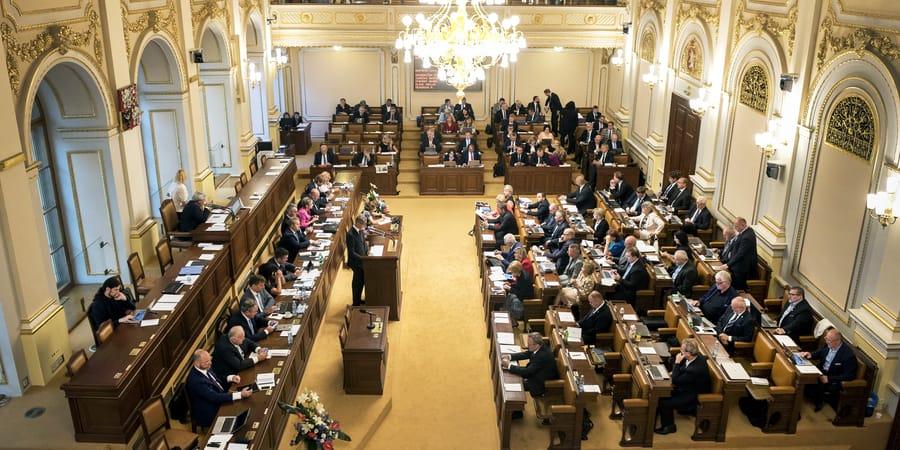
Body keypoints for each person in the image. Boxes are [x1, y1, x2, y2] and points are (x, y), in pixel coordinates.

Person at [655, 338, 710, 435]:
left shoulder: (694, 370)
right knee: (661, 394)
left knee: (664, 402)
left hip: (691, 395)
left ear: (688, 353)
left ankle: (669, 426)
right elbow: (681, 371)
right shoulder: (696, 356)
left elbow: (676, 381)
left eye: (682, 350)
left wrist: (676, 362)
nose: (680, 351)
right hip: (687, 386)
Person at [185, 349, 252, 428]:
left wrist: (230, 378)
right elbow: (215, 397)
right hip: (210, 411)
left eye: (210, 359)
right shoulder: (196, 381)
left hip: (220, 397)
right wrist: (240, 395)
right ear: (196, 363)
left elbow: (216, 379)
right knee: (240, 416)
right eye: (206, 362)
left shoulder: (205, 367)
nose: (210, 363)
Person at [502, 332, 560, 418]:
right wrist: (510, 356)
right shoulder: (540, 347)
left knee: (517, 384)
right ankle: (517, 410)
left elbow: (527, 372)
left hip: (540, 382)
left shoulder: (542, 356)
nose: (527, 346)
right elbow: (527, 354)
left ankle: (517, 411)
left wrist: (509, 366)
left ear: (536, 345)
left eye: (529, 344)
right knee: (514, 377)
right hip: (536, 373)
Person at [799, 329, 859, 411]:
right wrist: (810, 354)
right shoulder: (829, 345)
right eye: (826, 339)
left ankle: (818, 403)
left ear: (837, 341)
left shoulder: (848, 355)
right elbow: (821, 352)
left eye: (829, 340)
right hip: (821, 370)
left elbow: (850, 375)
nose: (826, 342)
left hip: (833, 377)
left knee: (815, 386)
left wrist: (829, 379)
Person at [720, 217, 758, 291]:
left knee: (735, 287)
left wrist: (728, 264)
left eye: (736, 226)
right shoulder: (745, 232)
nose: (735, 228)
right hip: (737, 264)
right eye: (734, 226)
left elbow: (740, 254)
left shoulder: (747, 237)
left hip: (742, 268)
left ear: (743, 225)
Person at [347, 215, 368, 306]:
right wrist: (363, 258)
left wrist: (367, 251)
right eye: (363, 224)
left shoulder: (360, 231)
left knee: (361, 281)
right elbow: (351, 252)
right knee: (357, 282)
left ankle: (358, 300)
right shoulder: (350, 234)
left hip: (362, 260)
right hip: (356, 263)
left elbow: (363, 243)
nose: (364, 226)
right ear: (358, 223)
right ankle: (355, 302)